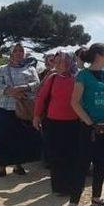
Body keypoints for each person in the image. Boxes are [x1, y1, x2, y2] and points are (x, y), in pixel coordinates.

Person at [64, 43, 104, 206]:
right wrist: (90, 123)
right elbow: (75, 102)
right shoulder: (83, 75)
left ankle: (96, 196)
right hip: (89, 127)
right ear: (98, 55)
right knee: (82, 164)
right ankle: (73, 202)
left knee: (101, 162)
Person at [0, 43, 41, 178]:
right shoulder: (2, 69)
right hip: (5, 107)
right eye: (16, 50)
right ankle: (1, 167)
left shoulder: (30, 69)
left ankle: (18, 165)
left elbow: (37, 84)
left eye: (21, 50)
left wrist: (24, 87)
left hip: (22, 109)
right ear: (11, 53)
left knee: (20, 138)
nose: (18, 53)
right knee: (3, 137)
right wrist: (11, 92)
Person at [33, 51, 79, 195]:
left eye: (61, 61)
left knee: (72, 155)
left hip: (73, 123)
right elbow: (41, 97)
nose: (57, 65)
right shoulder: (52, 78)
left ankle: (71, 185)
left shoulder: (77, 79)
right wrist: (36, 116)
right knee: (56, 156)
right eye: (56, 61)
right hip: (53, 123)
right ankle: (59, 187)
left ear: (69, 62)